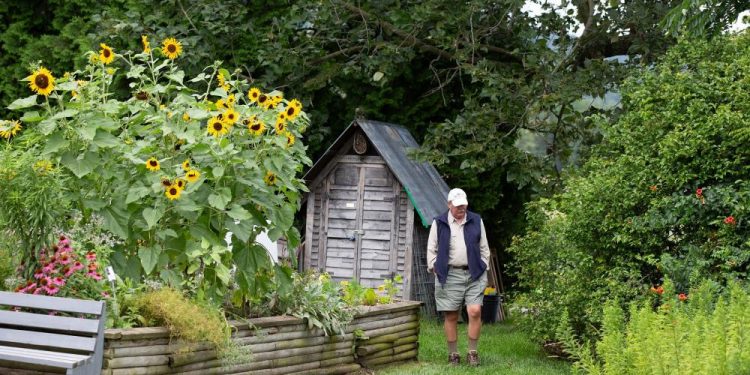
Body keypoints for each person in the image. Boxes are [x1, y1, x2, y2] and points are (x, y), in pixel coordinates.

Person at [427, 188, 490, 366]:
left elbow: (484, 248)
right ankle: (453, 355)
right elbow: (431, 249)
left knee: (475, 311)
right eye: (457, 206)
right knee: (451, 315)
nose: (461, 208)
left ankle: (472, 352)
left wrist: (484, 264)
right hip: (449, 274)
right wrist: (434, 267)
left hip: (474, 273)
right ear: (449, 205)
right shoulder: (439, 222)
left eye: (464, 205)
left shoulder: (476, 220)